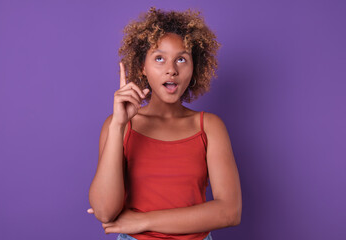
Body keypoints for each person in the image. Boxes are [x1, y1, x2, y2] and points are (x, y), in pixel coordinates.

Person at [87, 7, 242, 240]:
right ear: (142, 67)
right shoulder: (119, 125)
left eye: (181, 59)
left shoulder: (209, 126)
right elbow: (105, 212)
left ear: (194, 68)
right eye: (159, 58)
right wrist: (118, 125)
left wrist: (144, 220)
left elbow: (230, 212)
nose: (171, 70)